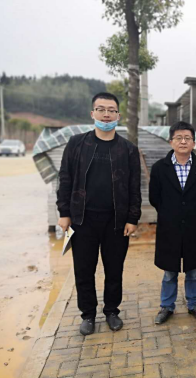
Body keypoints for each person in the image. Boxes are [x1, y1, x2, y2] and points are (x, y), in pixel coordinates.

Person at [56, 92, 141, 336]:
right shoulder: (77, 144)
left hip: (116, 221)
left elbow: (135, 186)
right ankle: (88, 315)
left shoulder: (128, 149)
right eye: (101, 109)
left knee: (114, 270)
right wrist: (64, 212)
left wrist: (132, 218)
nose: (106, 115)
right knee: (84, 270)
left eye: (111, 110)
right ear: (92, 113)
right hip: (82, 220)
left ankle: (112, 311)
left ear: (118, 115)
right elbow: (65, 178)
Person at [149, 121, 196, 324]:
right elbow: (154, 198)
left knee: (193, 270)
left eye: (187, 138)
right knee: (169, 271)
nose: (183, 142)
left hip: (193, 227)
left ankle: (194, 304)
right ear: (171, 141)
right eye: (179, 138)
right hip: (169, 227)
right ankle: (167, 306)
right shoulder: (159, 168)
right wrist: (171, 213)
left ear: (194, 143)